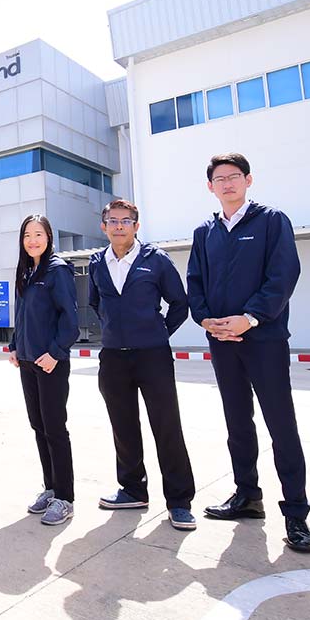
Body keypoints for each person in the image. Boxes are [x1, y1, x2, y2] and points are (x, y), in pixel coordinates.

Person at [186, 153, 310, 552]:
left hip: (264, 339)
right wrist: (206, 320)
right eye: (219, 178)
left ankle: (296, 513)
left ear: (248, 180)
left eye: (234, 177)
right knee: (237, 422)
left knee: (281, 424)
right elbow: (195, 280)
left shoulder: (271, 221)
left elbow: (283, 275)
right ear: (210, 186)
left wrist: (251, 317)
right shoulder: (205, 231)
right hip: (222, 342)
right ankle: (248, 496)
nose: (227, 184)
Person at [89, 199, 198, 531]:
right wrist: (113, 329)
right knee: (123, 426)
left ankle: (179, 501)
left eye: (126, 220)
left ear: (137, 226)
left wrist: (158, 331)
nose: (119, 225)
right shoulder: (97, 263)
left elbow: (180, 303)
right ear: (104, 226)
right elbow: (96, 303)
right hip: (113, 357)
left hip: (153, 356)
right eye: (112, 220)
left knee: (166, 426)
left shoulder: (156, 260)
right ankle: (133, 489)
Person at [7, 214, 79, 526]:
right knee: (38, 427)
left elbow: (70, 320)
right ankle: (50, 488)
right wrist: (14, 346)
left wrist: (55, 352)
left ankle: (65, 497)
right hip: (26, 361)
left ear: (49, 237)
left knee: (55, 429)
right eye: (27, 235)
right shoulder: (25, 271)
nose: (32, 240)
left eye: (38, 234)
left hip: (50, 363)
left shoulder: (57, 269)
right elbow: (21, 313)